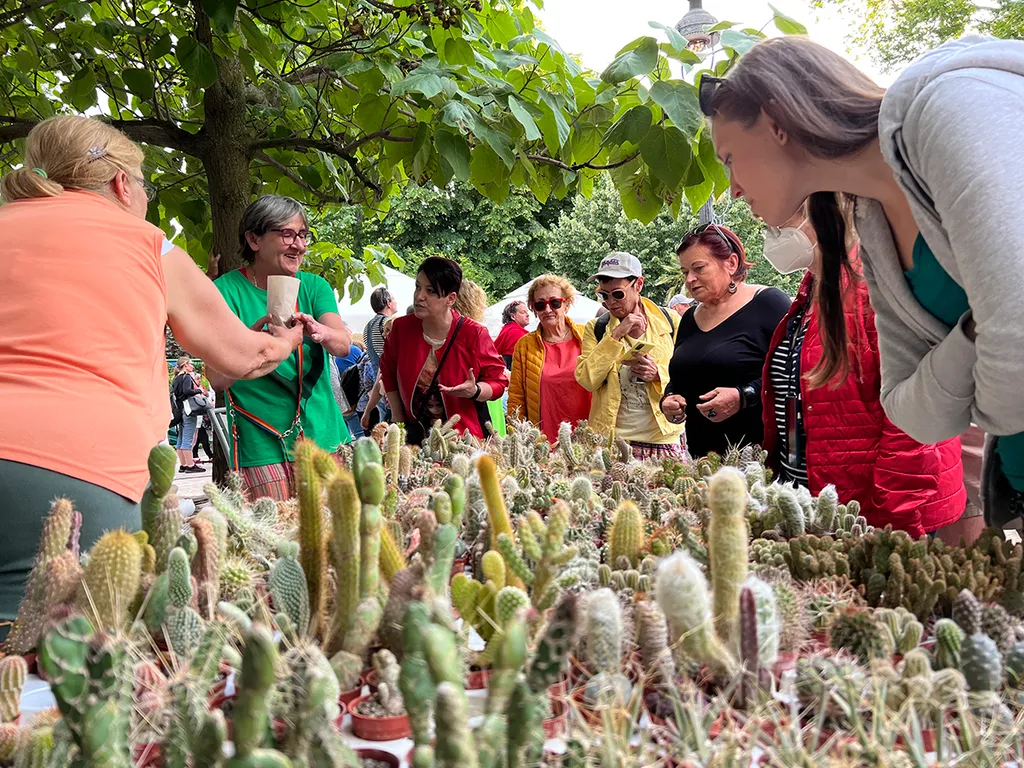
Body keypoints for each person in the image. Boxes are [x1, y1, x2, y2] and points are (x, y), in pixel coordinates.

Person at [700, 34, 1024, 525]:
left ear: (774, 122)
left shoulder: (947, 105)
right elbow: (917, 414)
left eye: (729, 159)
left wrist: (995, 329)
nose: (732, 188)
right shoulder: (873, 223)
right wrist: (979, 330)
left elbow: (1017, 334)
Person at [0, 116, 302, 631]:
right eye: (144, 186)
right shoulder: (146, 242)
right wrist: (284, 337)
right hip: (82, 467)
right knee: (64, 660)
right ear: (122, 183)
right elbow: (240, 358)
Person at [759, 208, 964, 538]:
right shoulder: (811, 290)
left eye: (777, 222)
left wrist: (892, 527)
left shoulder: (877, 284)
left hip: (868, 515)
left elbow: (914, 420)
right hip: (817, 500)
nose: (770, 232)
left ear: (823, 208)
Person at [208, 195, 353, 500]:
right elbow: (217, 379)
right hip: (261, 446)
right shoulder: (224, 291)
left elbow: (342, 346)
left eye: (303, 235)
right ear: (254, 240)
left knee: (331, 538)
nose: (298, 245)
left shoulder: (314, 286)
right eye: (287, 234)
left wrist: (319, 331)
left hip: (324, 438)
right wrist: (249, 342)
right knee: (277, 540)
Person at [661, 225, 790, 457]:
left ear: (731, 263)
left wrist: (744, 396)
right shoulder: (689, 318)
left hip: (760, 458)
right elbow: (681, 377)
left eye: (698, 268)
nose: (690, 279)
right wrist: (669, 398)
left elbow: (795, 373)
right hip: (703, 458)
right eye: (684, 272)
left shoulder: (769, 303)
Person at [380, 257, 508, 443]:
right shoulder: (401, 328)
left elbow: (498, 381)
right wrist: (399, 421)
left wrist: (476, 390)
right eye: (418, 287)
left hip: (463, 440)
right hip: (415, 439)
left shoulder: (474, 333)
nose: (419, 296)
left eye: (431, 291)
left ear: (451, 299)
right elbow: (388, 371)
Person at [575, 252, 685, 459]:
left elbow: (689, 376)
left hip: (663, 436)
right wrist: (616, 335)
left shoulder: (671, 321)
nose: (610, 302)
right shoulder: (597, 328)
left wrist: (657, 374)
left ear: (639, 284)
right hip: (613, 439)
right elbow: (587, 380)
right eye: (603, 295)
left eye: (618, 294)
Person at [507, 275, 592, 443]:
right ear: (534, 309)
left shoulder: (588, 335)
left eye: (555, 303)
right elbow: (516, 396)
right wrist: (518, 438)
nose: (547, 310)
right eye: (540, 304)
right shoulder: (525, 345)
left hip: (588, 432)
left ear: (567, 304)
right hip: (545, 437)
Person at [363, 286, 397, 422]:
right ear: (388, 303)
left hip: (377, 381)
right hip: (386, 381)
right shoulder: (385, 323)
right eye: (394, 300)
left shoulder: (368, 326)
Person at [170, 357, 202, 472]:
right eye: (191, 364)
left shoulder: (176, 378)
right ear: (185, 365)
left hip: (179, 410)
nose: (192, 366)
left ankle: (183, 464)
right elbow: (187, 391)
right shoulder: (187, 377)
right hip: (188, 410)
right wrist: (199, 391)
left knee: (180, 438)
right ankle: (190, 465)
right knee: (188, 438)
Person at [495, 300, 531, 368]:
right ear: (513, 316)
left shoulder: (506, 330)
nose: (527, 315)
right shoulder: (516, 333)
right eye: (523, 312)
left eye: (527, 312)